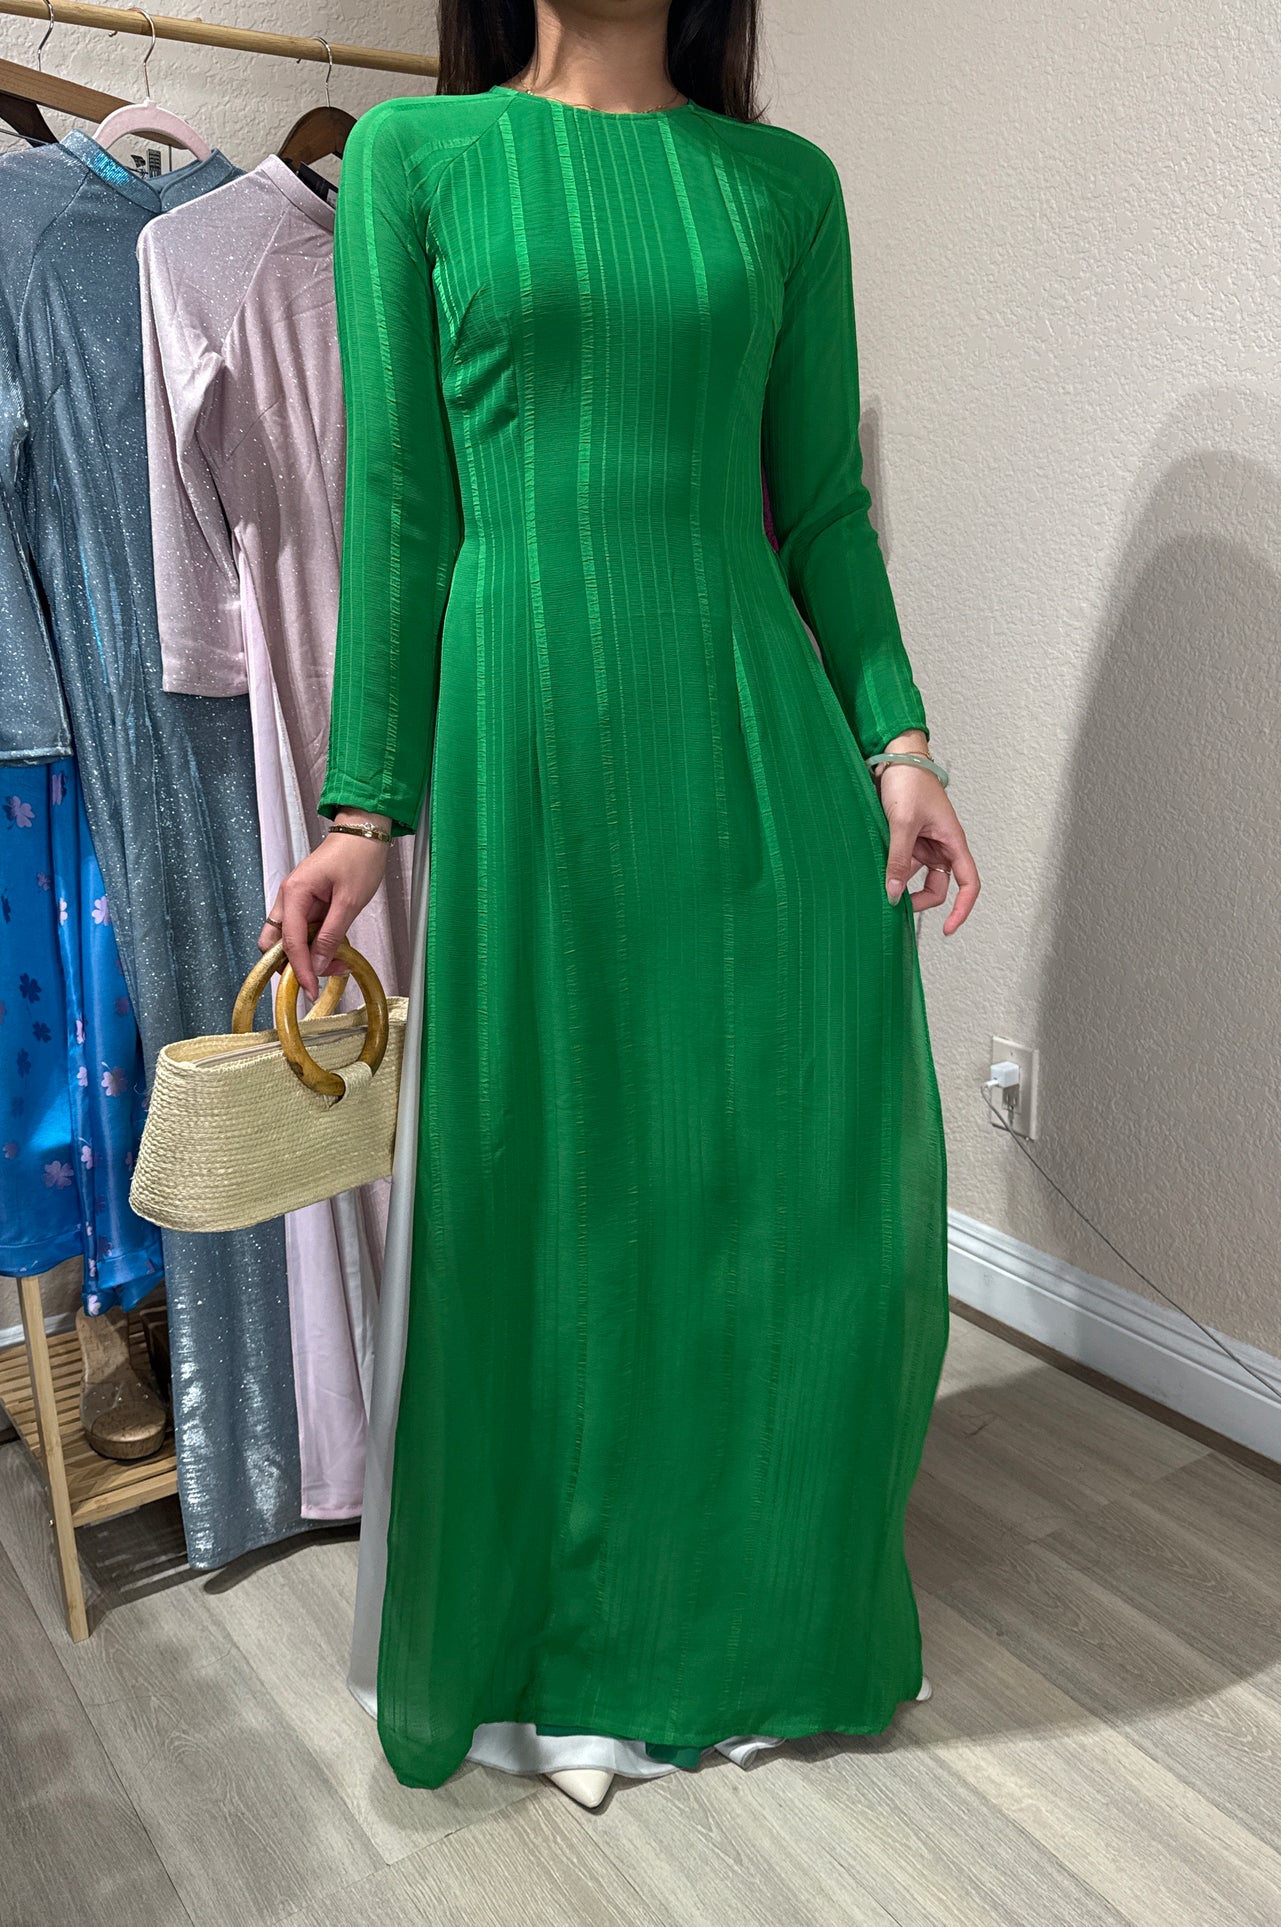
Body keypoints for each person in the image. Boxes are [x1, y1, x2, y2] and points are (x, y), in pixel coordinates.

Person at [264, 0, 981, 1808]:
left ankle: (752, 1608)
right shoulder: (418, 159)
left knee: (781, 1189)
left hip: (748, 724)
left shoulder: (779, 184)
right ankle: (571, 1637)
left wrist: (898, 745)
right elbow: (400, 504)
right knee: (557, 1194)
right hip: (528, 731)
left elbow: (821, 508)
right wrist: (364, 808)